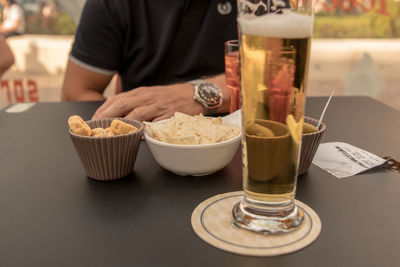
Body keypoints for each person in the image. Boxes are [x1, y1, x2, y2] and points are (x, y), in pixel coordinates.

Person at [61, 0, 238, 121]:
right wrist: (127, 129)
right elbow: (76, 92)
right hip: (142, 145)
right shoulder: (111, 4)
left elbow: (263, 80)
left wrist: (199, 95)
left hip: (241, 137)